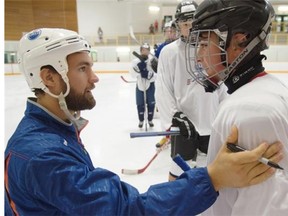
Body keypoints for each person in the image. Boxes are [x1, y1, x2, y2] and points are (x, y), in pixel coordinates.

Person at [4, 27, 283, 216]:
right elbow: (126, 209)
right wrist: (212, 178)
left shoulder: (54, 131)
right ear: (49, 78)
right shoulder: (41, 155)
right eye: (82, 68)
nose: (95, 78)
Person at [185, 0, 288, 215]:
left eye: (204, 43)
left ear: (240, 41)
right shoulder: (268, 88)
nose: (198, 57)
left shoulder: (247, 110)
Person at [155, 0, 227, 181]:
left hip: (211, 122)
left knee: (210, 172)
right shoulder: (169, 52)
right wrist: (174, 116)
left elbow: (223, 85)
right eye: (185, 24)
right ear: (178, 25)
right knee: (178, 170)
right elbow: (163, 87)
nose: (189, 28)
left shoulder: (212, 47)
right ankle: (175, 205)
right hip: (184, 124)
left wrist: (225, 113)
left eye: (192, 23)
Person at [130, 43, 157, 128]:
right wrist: (140, 71)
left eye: (146, 50)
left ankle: (150, 120)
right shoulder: (135, 61)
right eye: (143, 50)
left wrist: (148, 74)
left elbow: (157, 73)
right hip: (140, 85)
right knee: (140, 104)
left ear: (149, 51)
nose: (144, 52)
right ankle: (141, 120)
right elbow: (132, 74)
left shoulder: (153, 61)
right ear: (140, 51)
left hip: (150, 85)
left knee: (151, 104)